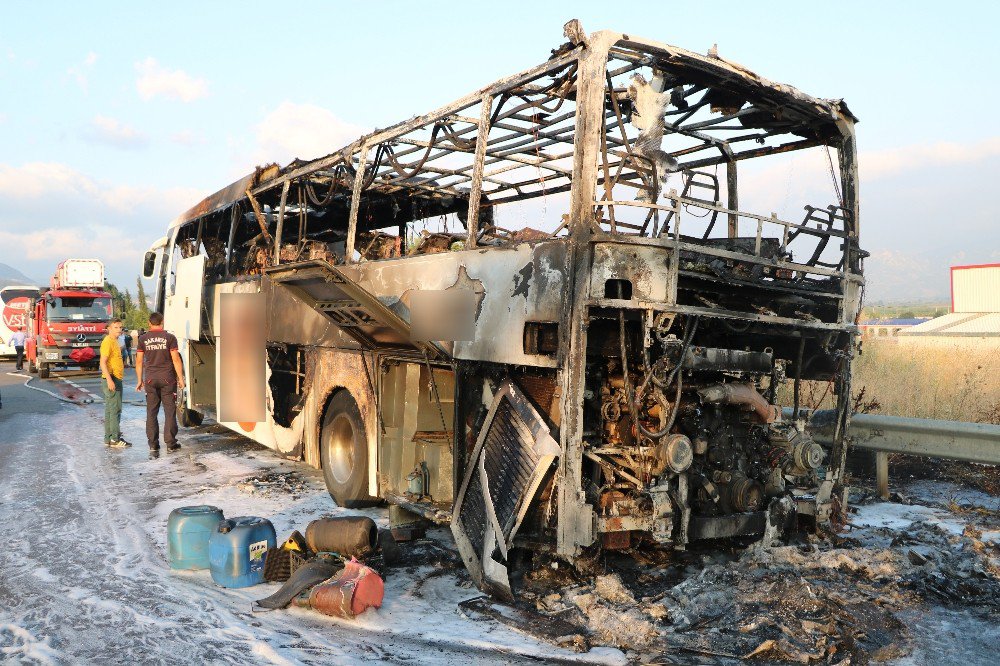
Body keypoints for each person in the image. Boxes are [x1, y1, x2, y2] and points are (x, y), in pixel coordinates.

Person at [136, 312, 185, 456]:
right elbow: (176, 359)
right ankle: (171, 444)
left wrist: (140, 380)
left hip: (150, 379)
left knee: (151, 412)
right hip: (167, 379)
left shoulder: (143, 339)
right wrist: (181, 378)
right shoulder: (170, 338)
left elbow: (139, 361)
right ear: (162, 322)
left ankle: (153, 445)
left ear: (149, 323)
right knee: (169, 411)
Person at [100, 319, 131, 448]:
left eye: (120, 327)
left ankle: (108, 438)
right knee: (115, 410)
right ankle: (115, 439)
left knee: (109, 410)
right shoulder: (108, 342)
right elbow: (103, 362)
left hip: (114, 378)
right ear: (109, 328)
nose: (119, 330)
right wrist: (109, 380)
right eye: (116, 327)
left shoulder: (114, 341)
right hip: (113, 378)